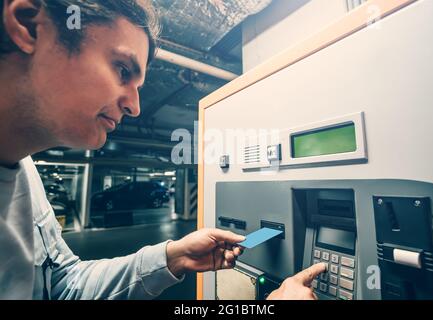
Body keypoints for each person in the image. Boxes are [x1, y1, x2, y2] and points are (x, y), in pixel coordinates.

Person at [0, 0, 326, 300]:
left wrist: (174, 257)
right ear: (30, 26)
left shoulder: (23, 171)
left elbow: (64, 284)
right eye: (123, 70)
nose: (135, 107)